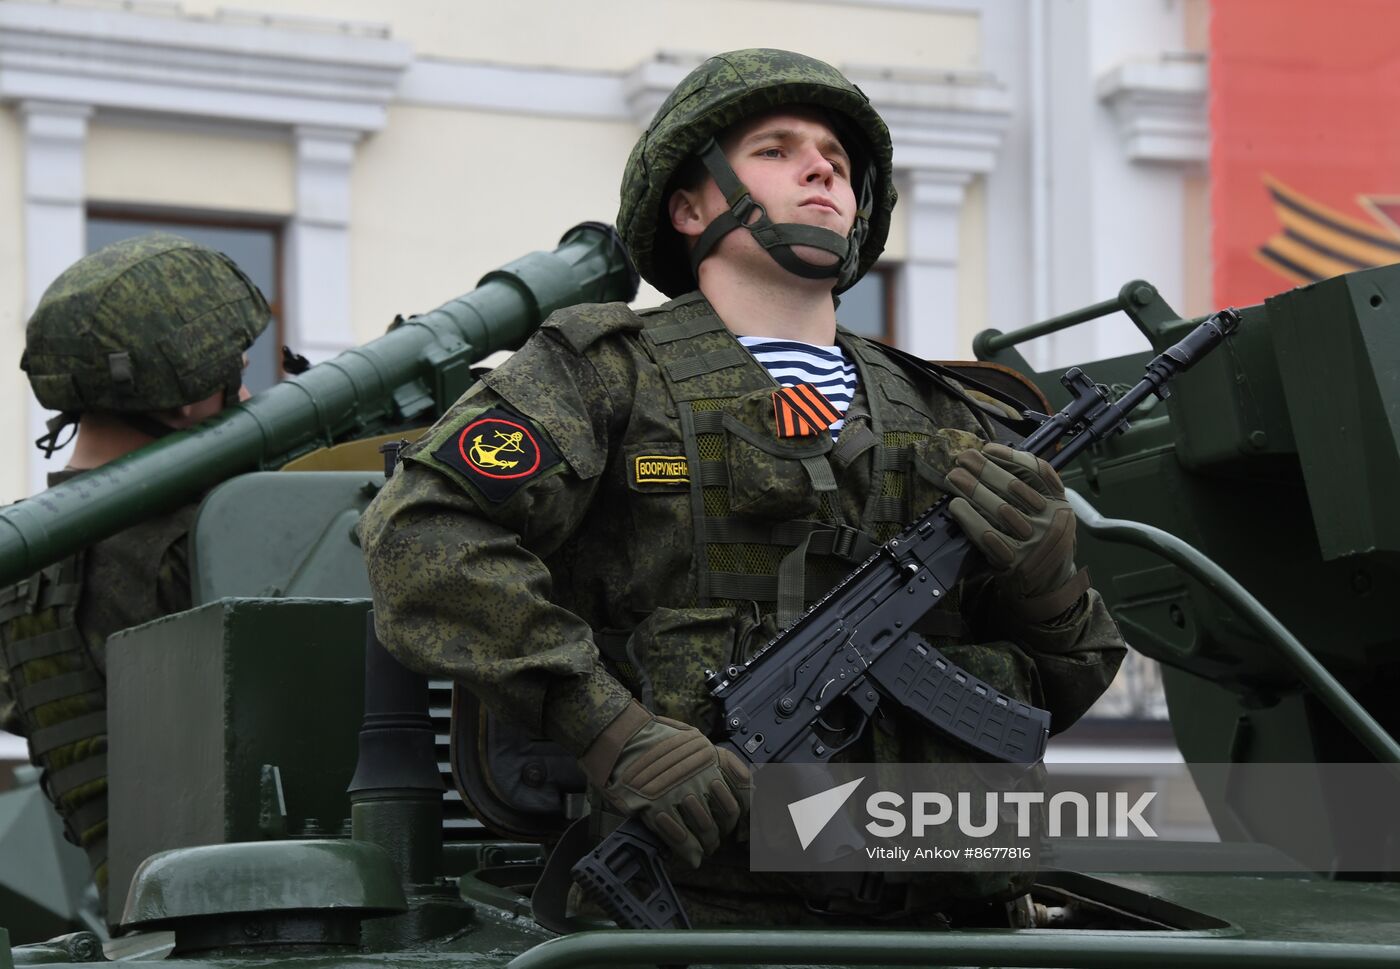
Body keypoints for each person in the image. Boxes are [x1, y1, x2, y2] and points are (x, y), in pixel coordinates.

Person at [360, 49, 1126, 925]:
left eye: (838, 162)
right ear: (691, 205)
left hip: (952, 911)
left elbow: (1071, 685)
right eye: (776, 149)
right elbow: (420, 535)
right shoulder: (605, 374)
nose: (821, 168)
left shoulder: (948, 409)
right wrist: (615, 730)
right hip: (700, 909)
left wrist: (1047, 580)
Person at [0, 232, 269, 907]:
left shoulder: (24, 558)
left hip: (146, 914)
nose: (247, 388)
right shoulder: (192, 543)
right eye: (235, 371)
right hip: (253, 905)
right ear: (184, 399)